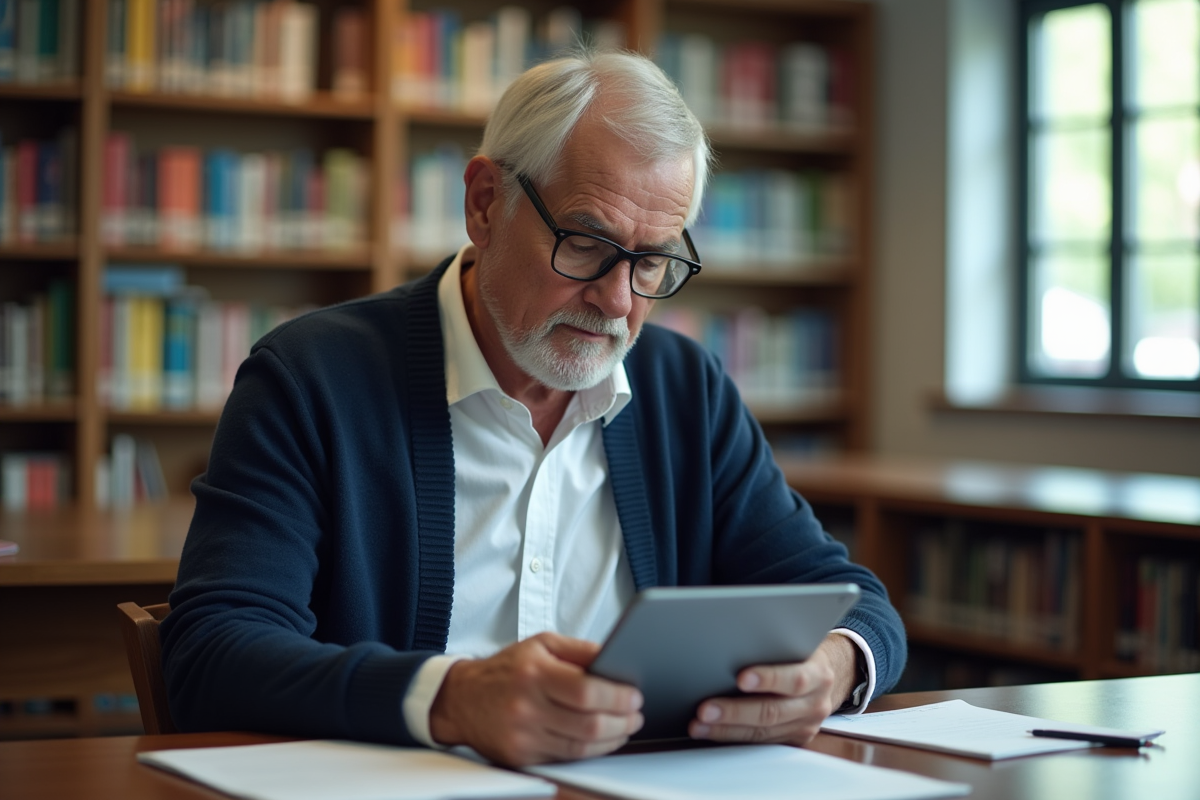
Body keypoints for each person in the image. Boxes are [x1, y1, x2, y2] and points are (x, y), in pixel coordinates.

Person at [160, 49, 906, 767]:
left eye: (651, 262)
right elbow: (212, 653)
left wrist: (834, 668)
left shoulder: (686, 389)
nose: (618, 301)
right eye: (587, 244)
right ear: (485, 204)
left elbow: (853, 602)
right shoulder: (311, 378)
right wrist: (450, 697)